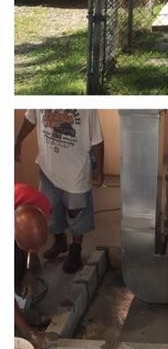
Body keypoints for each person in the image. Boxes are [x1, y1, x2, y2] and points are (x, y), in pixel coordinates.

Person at [15, 109, 104, 275]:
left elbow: (97, 140)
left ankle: (76, 250)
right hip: (48, 169)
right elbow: (31, 117)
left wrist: (99, 170)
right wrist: (18, 139)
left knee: (76, 213)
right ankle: (59, 241)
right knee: (49, 210)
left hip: (75, 171)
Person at [15, 182, 53, 349]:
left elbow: (33, 242)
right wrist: (29, 334)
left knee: (23, 266)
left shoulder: (42, 204)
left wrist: (29, 272)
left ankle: (20, 306)